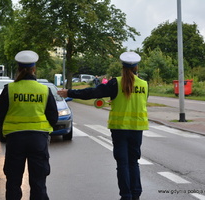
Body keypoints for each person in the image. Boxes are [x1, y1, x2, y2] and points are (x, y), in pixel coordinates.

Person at [57, 52, 148, 200]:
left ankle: (126, 195)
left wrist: (69, 92)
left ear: (122, 66)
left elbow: (93, 92)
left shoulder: (115, 83)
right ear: (137, 67)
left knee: (123, 164)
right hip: (137, 129)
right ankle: (136, 194)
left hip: (119, 129)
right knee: (133, 162)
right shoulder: (144, 85)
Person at [0, 50, 58, 200]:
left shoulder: (10, 89)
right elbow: (53, 117)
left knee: (13, 182)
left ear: (18, 69)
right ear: (34, 69)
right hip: (38, 140)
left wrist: (8, 128)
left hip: (15, 140)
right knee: (38, 182)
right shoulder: (44, 90)